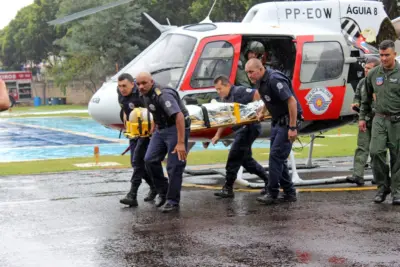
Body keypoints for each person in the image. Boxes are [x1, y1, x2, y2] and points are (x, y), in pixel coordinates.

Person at [245, 58, 303, 204]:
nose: (249, 76)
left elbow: (292, 101)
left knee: (275, 156)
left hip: (287, 122)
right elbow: (267, 98)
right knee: (279, 158)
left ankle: (272, 192)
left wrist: (292, 127)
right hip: (277, 122)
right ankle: (289, 192)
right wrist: (262, 111)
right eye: (247, 73)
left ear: (260, 69)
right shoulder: (260, 81)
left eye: (251, 72)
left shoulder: (274, 79)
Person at [137, 71, 191, 213]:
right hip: (161, 129)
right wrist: (154, 127)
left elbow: (179, 116)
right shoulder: (144, 95)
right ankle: (163, 192)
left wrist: (180, 143)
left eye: (144, 83)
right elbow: (155, 111)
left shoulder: (163, 94)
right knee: (149, 160)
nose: (140, 86)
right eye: (138, 84)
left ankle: (172, 201)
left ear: (151, 82)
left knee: (174, 166)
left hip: (176, 127)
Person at [211, 75, 269, 198]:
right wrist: (217, 135)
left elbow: (257, 94)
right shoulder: (226, 99)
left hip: (249, 128)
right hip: (242, 129)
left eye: (219, 88)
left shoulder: (239, 91)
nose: (218, 92)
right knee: (246, 161)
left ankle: (228, 188)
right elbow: (225, 119)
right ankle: (269, 181)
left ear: (227, 85)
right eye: (216, 89)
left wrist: (260, 111)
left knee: (234, 156)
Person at [360, 40, 400, 205]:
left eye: (387, 55)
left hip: (397, 121)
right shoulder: (373, 74)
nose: (383, 58)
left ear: (394, 54)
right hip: (379, 119)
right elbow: (366, 98)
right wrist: (362, 117)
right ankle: (383, 187)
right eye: (381, 55)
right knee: (376, 153)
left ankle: (397, 191)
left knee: (397, 157)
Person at [117, 73, 157, 207]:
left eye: (125, 86)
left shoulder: (141, 94)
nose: (122, 89)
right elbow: (125, 109)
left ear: (132, 84)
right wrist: (126, 126)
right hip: (133, 133)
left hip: (146, 133)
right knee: (136, 164)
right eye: (120, 86)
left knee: (137, 161)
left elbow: (153, 113)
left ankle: (132, 194)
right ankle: (155, 186)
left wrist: (152, 131)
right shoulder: (120, 93)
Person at [346, 57, 381, 186]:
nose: (366, 71)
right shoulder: (362, 83)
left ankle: (380, 176)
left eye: (369, 69)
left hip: (379, 120)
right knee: (362, 147)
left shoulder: (381, 82)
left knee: (378, 150)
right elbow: (357, 97)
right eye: (365, 68)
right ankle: (357, 175)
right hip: (365, 119)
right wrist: (356, 104)